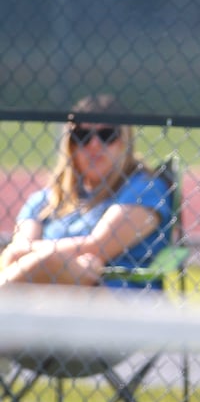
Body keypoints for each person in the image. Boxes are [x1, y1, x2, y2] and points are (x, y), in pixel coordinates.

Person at [0, 94, 172, 289]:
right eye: (82, 135)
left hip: (118, 298)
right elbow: (16, 252)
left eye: (107, 135)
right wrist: (74, 265)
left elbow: (98, 247)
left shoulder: (145, 188)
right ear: (70, 144)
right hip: (47, 300)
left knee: (51, 261)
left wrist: (52, 259)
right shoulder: (44, 200)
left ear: (125, 141)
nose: (94, 145)